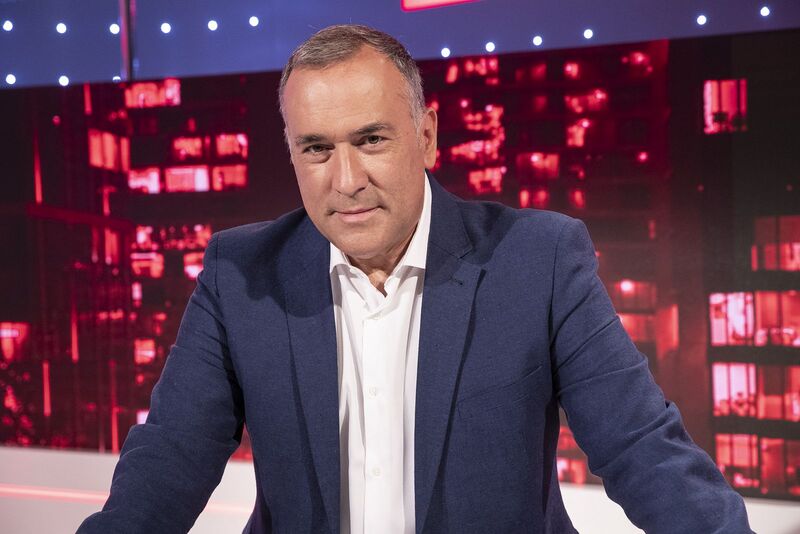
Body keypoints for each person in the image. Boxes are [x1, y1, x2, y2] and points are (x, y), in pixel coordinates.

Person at [79, 24, 752, 533]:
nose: (346, 181)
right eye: (317, 149)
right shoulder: (239, 275)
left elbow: (641, 448)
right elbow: (169, 460)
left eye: (371, 140)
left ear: (427, 136)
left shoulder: (539, 259)